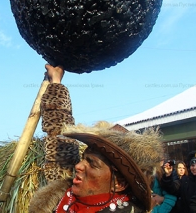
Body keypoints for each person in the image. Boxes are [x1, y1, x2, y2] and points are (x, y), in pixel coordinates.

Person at [29, 64, 165, 213]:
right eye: (84, 158)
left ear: (118, 183)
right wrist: (56, 82)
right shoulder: (64, 194)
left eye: (92, 164)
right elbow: (59, 138)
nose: (78, 166)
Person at [161, 144, 196, 213]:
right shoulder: (185, 180)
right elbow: (173, 189)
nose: (195, 168)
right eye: (192, 165)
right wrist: (168, 175)